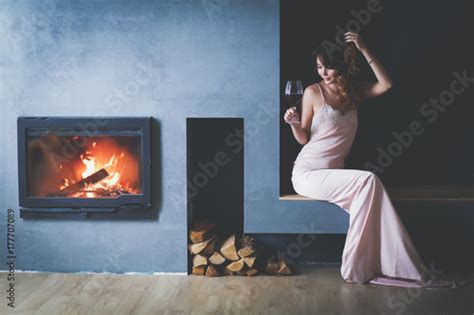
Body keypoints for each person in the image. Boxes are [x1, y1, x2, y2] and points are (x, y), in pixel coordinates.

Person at [284, 32, 457, 289]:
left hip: (335, 175)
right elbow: (303, 139)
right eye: (319, 66)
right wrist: (293, 123)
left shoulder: (353, 93)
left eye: (328, 66)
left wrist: (364, 48)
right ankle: (355, 267)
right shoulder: (313, 92)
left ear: (340, 65)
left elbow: (386, 84)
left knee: (371, 201)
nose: (323, 72)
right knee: (369, 180)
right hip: (308, 172)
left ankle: (388, 265)